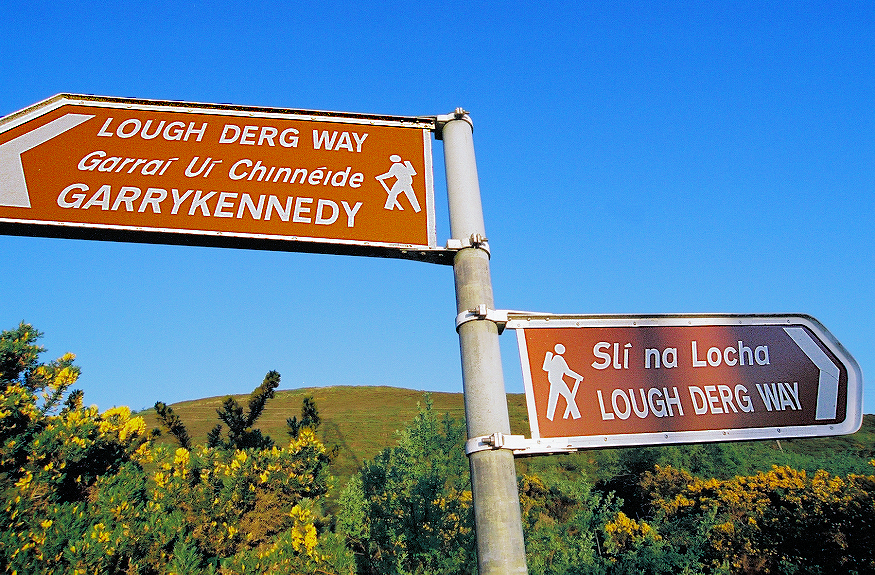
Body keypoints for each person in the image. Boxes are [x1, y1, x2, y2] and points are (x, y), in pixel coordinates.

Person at [542, 344, 583, 420]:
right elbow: (567, 371)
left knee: (554, 399)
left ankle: (549, 417)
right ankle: (576, 416)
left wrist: (577, 376)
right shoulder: (558, 358)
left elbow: (566, 371)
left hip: (554, 381)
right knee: (568, 397)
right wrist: (578, 377)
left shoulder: (556, 358)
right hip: (557, 381)